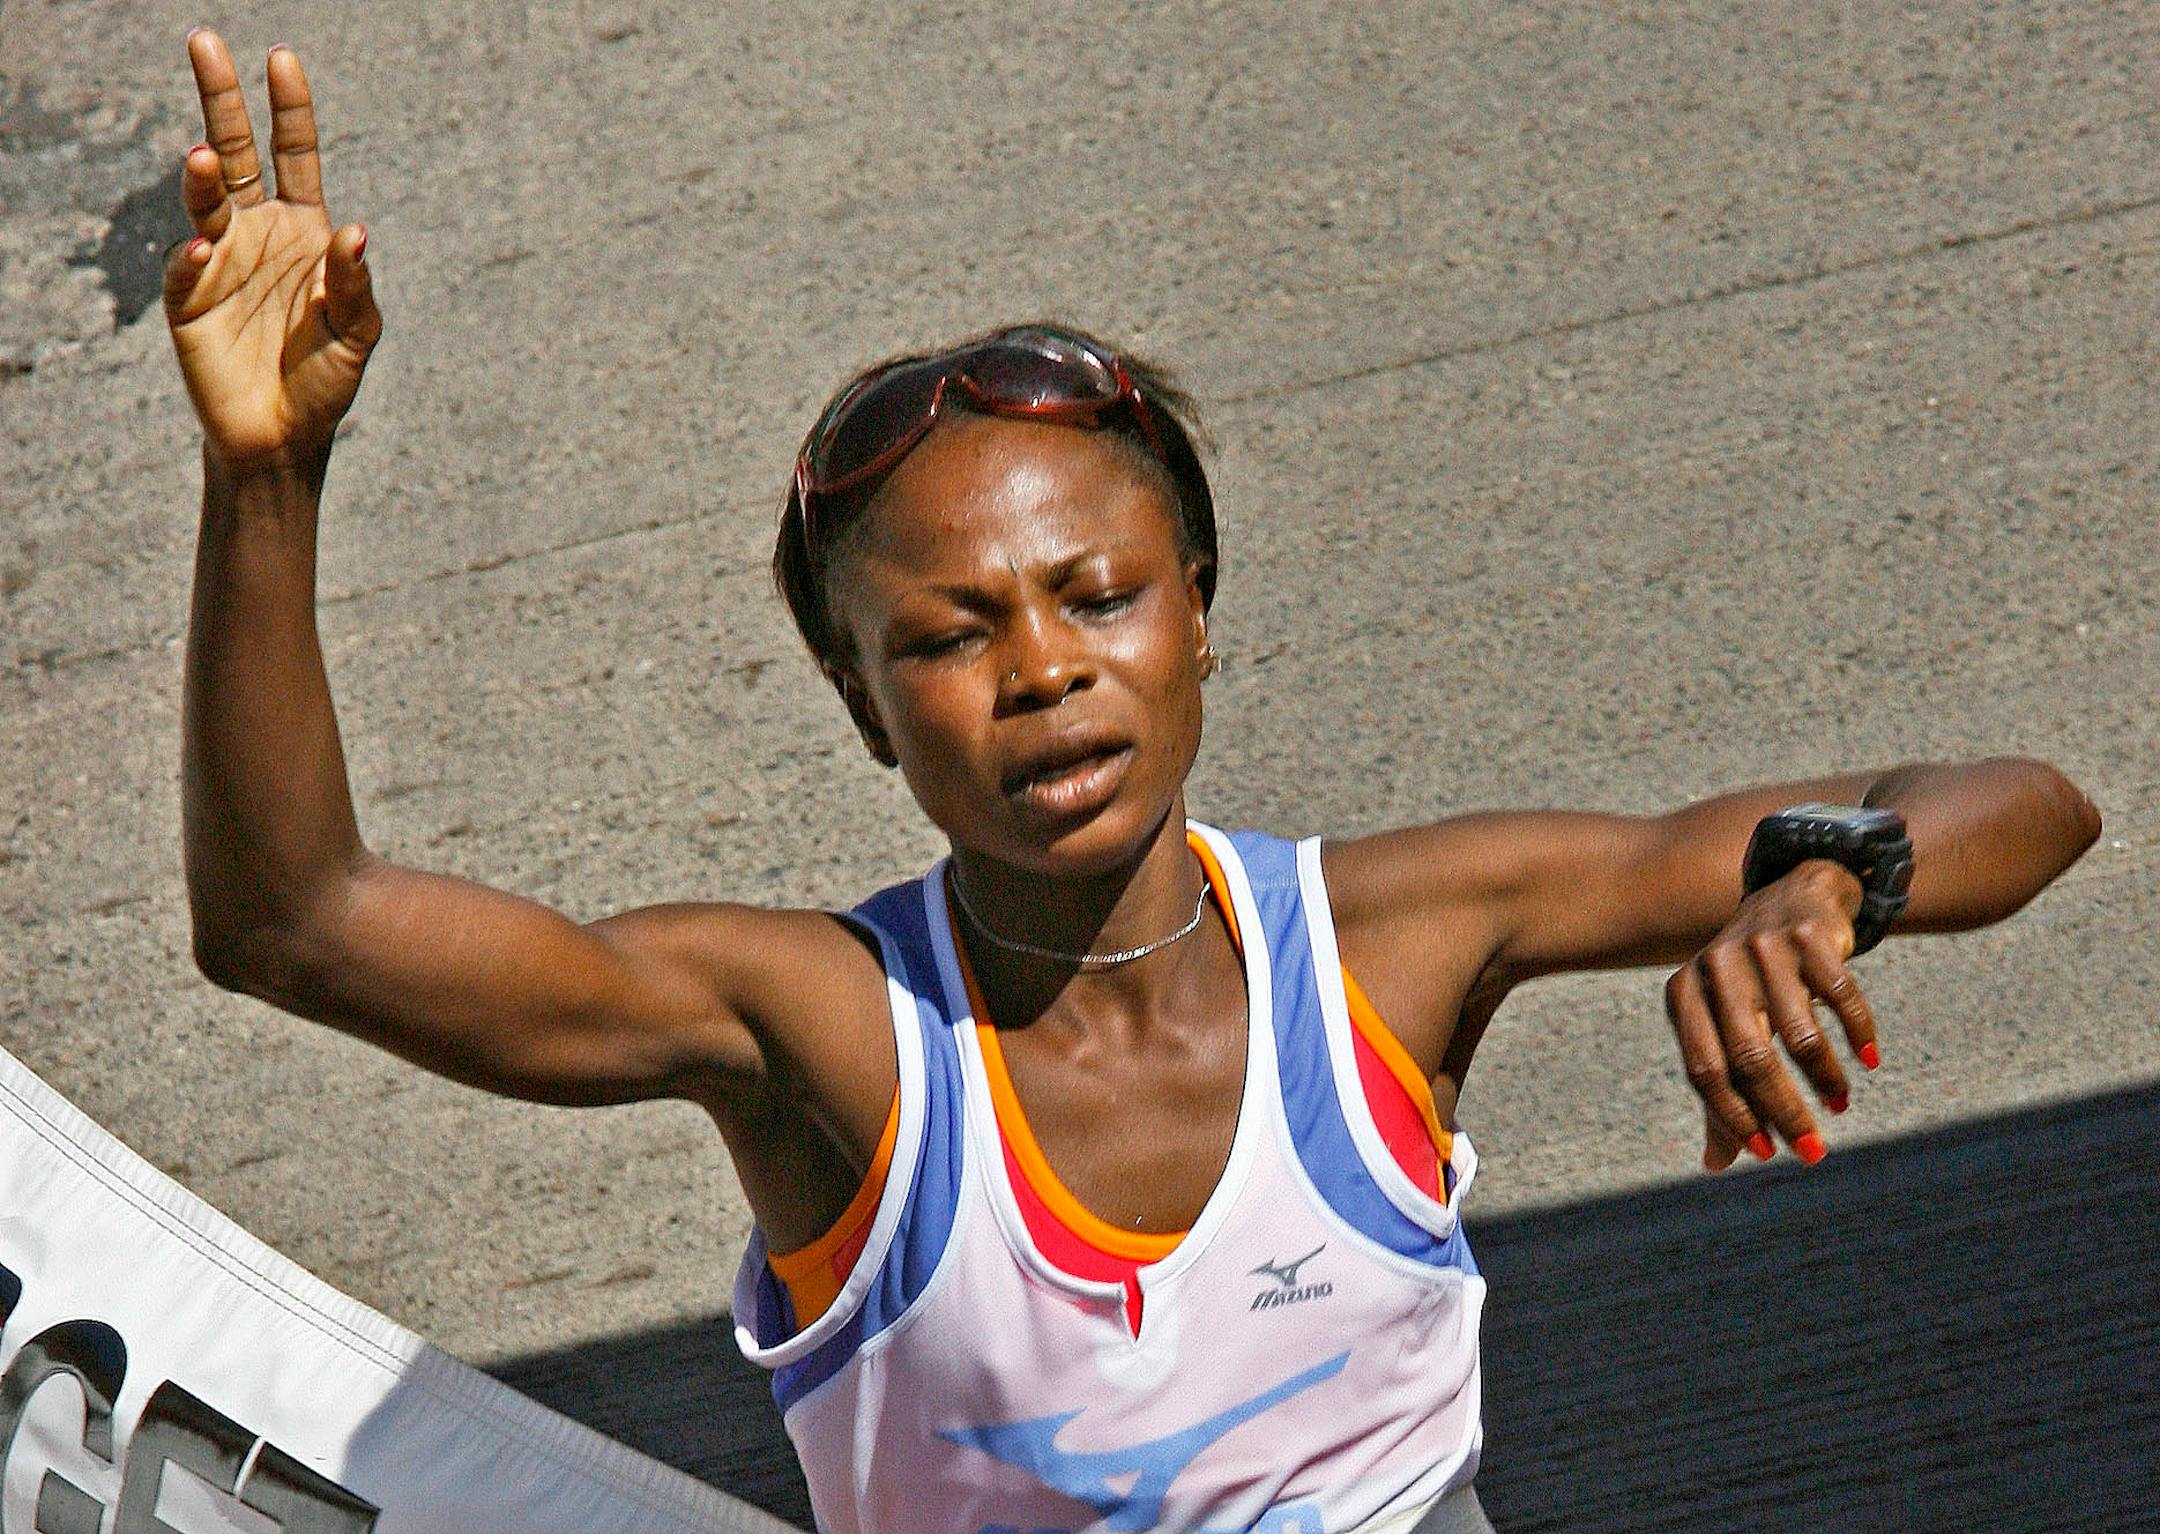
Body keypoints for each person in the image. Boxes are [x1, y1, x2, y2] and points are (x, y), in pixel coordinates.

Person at [162, 30, 2101, 1534]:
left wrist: (1826, 871)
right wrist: (267, 479)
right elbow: (295, 922)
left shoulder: (1397, 944)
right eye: (951, 634)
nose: (1044, 669)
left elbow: (2027, 800)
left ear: (1201, 614)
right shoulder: (825, 1036)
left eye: (1100, 595)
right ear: (861, 706)